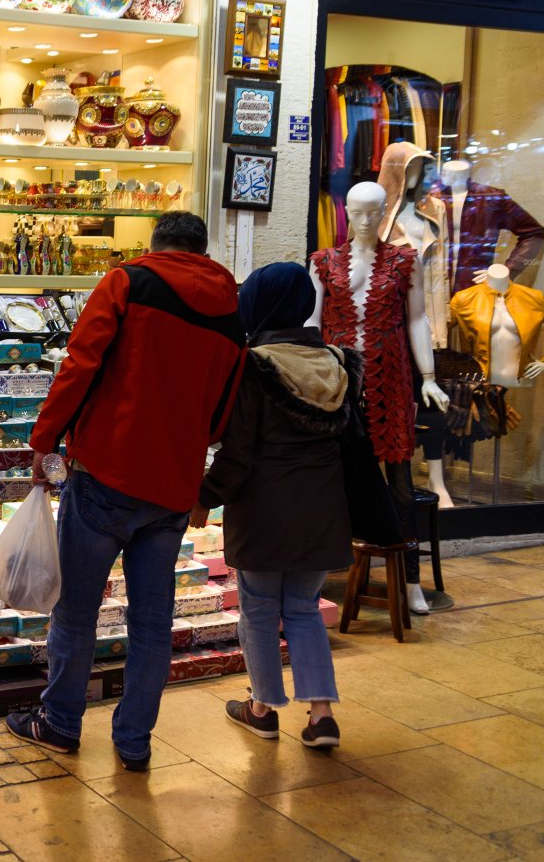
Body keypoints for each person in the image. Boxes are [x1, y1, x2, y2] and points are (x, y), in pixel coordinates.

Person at [10, 212, 246, 771]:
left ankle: (61, 723)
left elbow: (79, 365)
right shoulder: (232, 308)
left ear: (155, 245)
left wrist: (45, 442)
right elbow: (224, 408)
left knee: (76, 611)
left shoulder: (127, 281)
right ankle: (134, 741)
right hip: (172, 486)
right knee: (151, 622)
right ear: (202, 251)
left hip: (106, 473)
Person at [198, 263, 352, 750]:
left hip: (264, 511)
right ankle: (321, 716)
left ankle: (262, 708)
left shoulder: (253, 366)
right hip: (323, 510)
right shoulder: (339, 363)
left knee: (260, 611)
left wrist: (203, 497)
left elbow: (238, 455)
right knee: (304, 609)